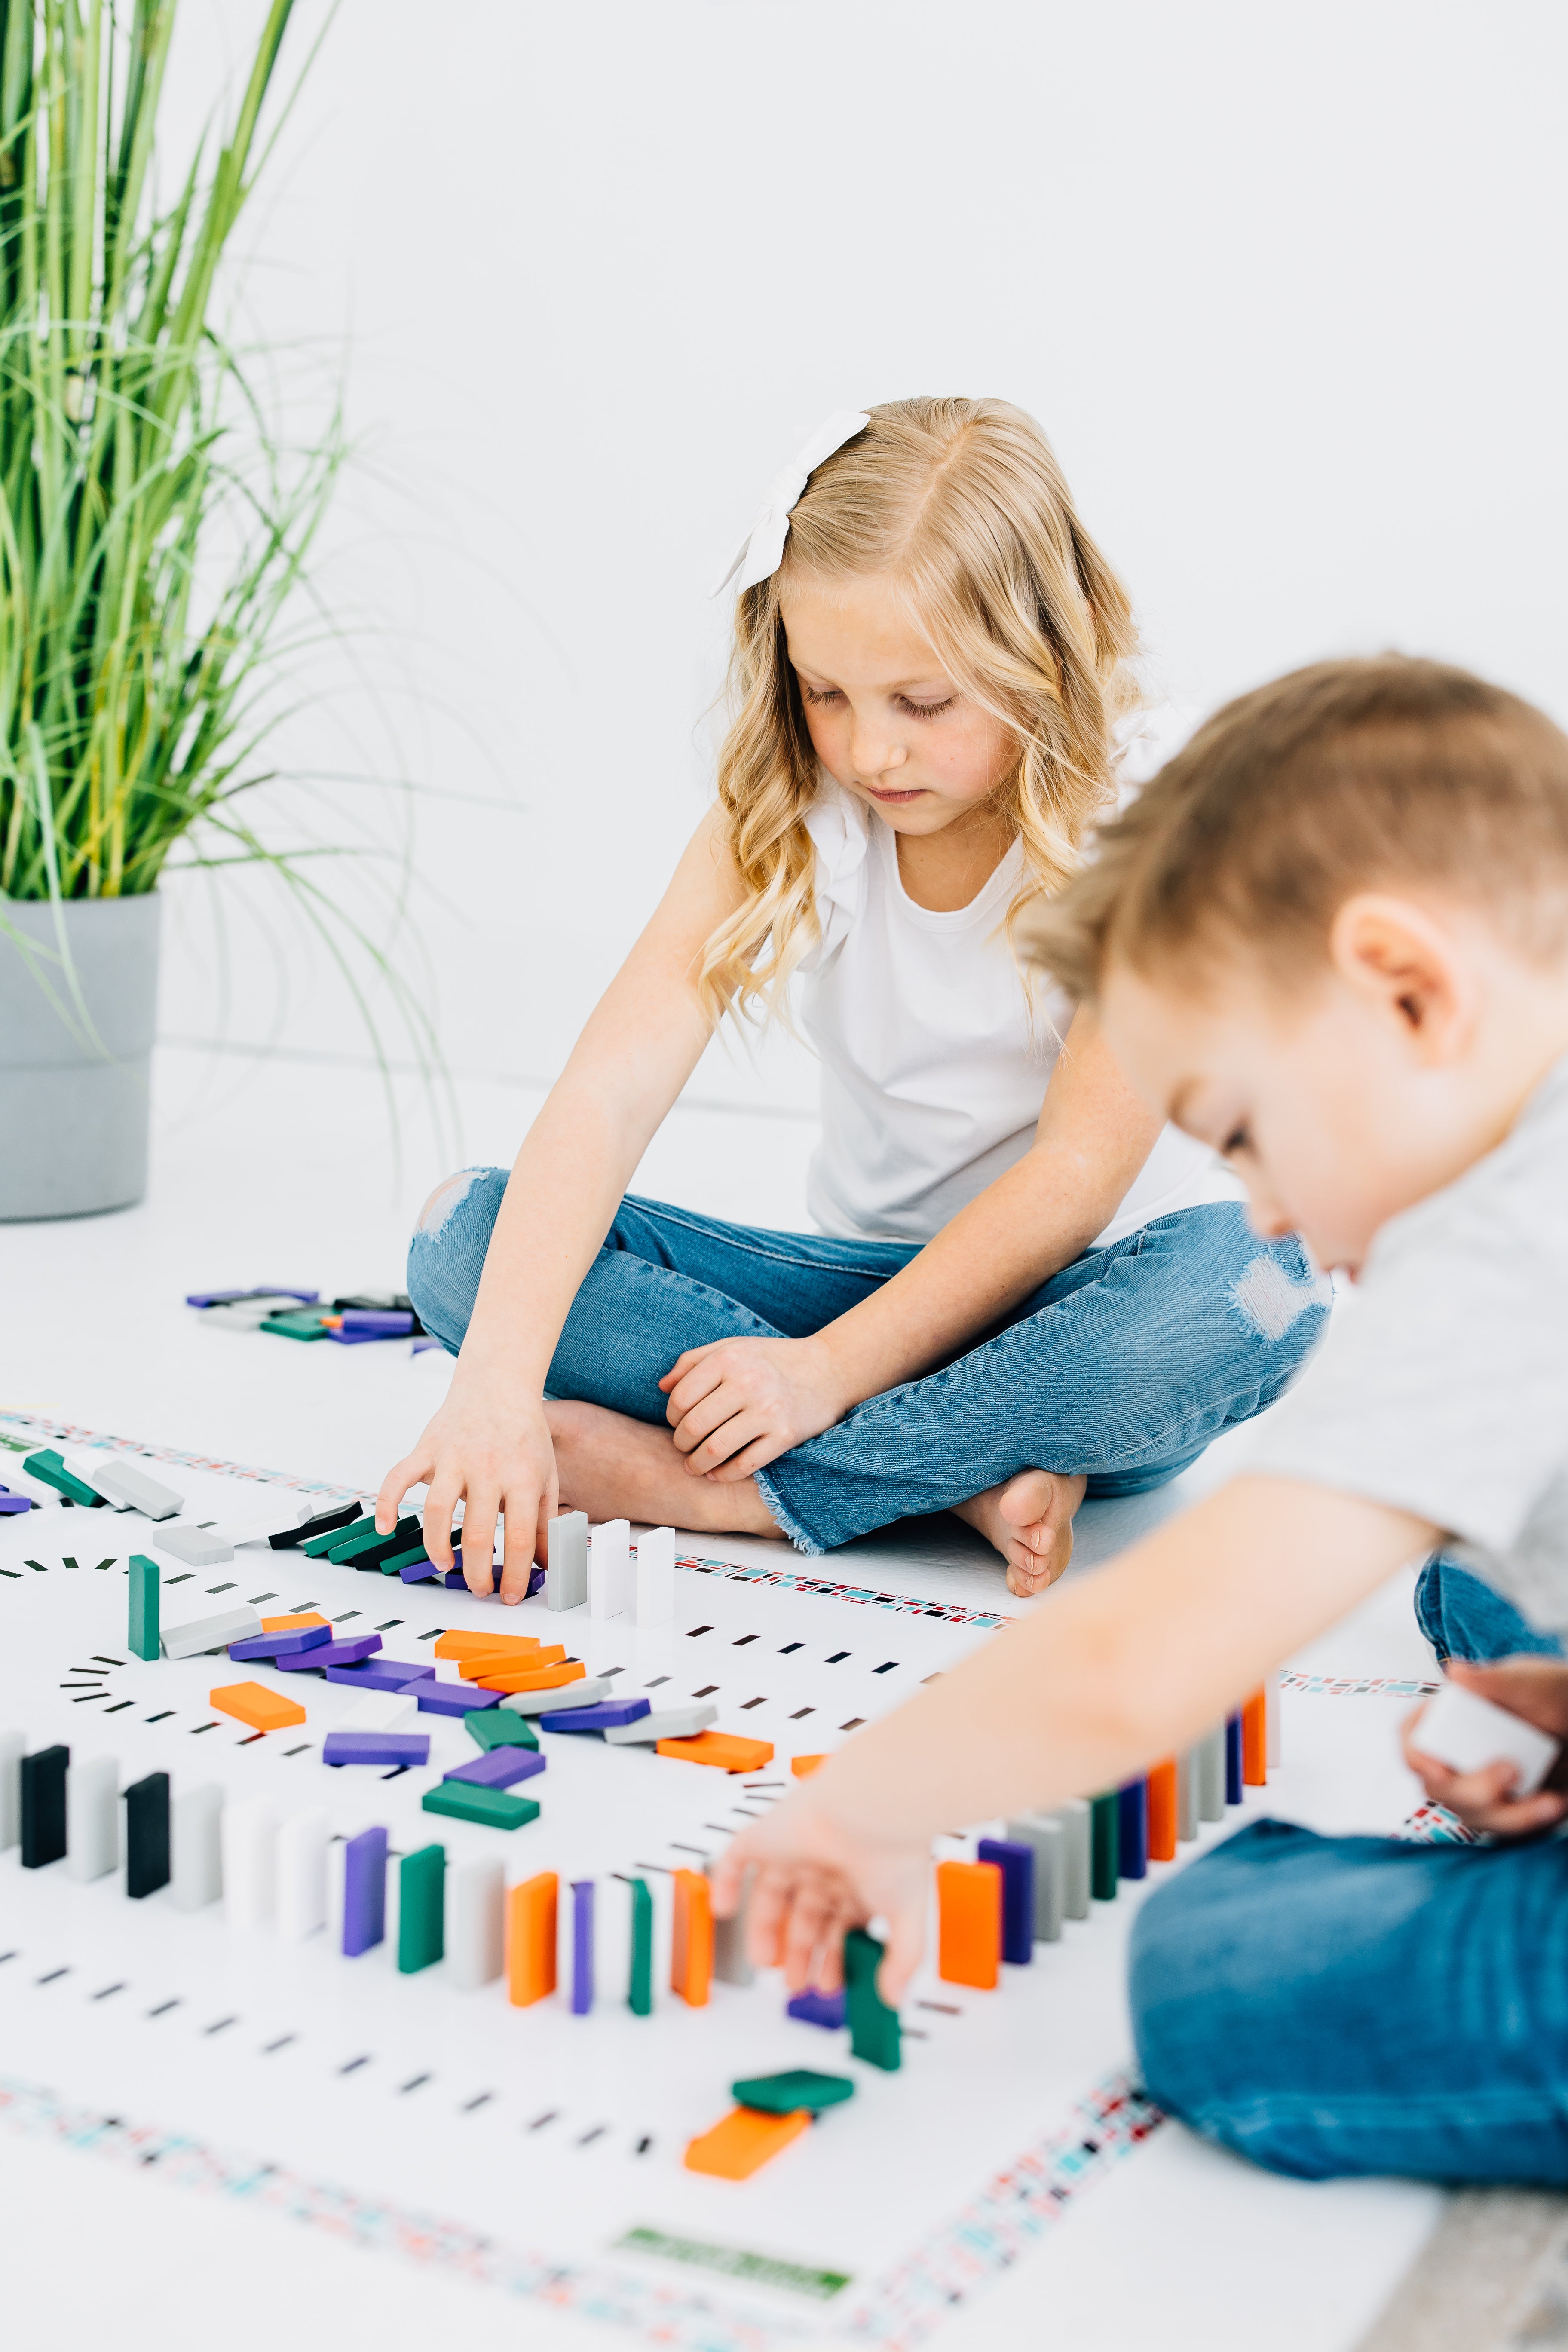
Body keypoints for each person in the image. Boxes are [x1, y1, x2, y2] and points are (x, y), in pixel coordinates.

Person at [713, 655, 1568, 2186]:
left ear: (1411, 993)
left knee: (1214, 1968)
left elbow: (1132, 1668)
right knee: (1481, 1575)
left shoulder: (1508, 1229)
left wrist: (856, 1812)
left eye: (1246, 1132)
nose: (1262, 1205)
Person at [379, 399, 1326, 1602]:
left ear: (1043, 657)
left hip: (1079, 1311)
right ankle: (955, 1474)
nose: (871, 751)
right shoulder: (790, 798)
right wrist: (493, 1394)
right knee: (459, 1237)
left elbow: (1077, 1172)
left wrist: (822, 1380)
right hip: (853, 1293)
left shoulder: (1158, 807)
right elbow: (611, 1089)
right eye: (827, 694)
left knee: (1265, 1275)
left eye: (922, 704)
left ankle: (743, 1491)